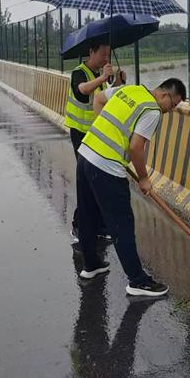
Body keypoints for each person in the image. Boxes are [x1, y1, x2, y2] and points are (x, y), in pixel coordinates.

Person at [76, 78, 186, 296]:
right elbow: (136, 148)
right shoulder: (152, 110)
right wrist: (144, 178)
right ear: (165, 95)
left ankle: (91, 265)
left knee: (88, 215)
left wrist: (103, 134)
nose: (171, 110)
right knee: (122, 224)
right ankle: (138, 281)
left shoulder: (131, 89)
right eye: (173, 105)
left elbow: (98, 99)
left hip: (86, 154)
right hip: (106, 167)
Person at [64, 41, 123, 242]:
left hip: (96, 135)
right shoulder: (79, 73)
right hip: (80, 135)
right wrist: (104, 78)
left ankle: (98, 225)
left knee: (97, 180)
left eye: (108, 55)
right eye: (103, 54)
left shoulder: (100, 77)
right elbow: (83, 90)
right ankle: (79, 226)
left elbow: (105, 99)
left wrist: (116, 83)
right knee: (88, 181)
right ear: (91, 52)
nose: (106, 59)